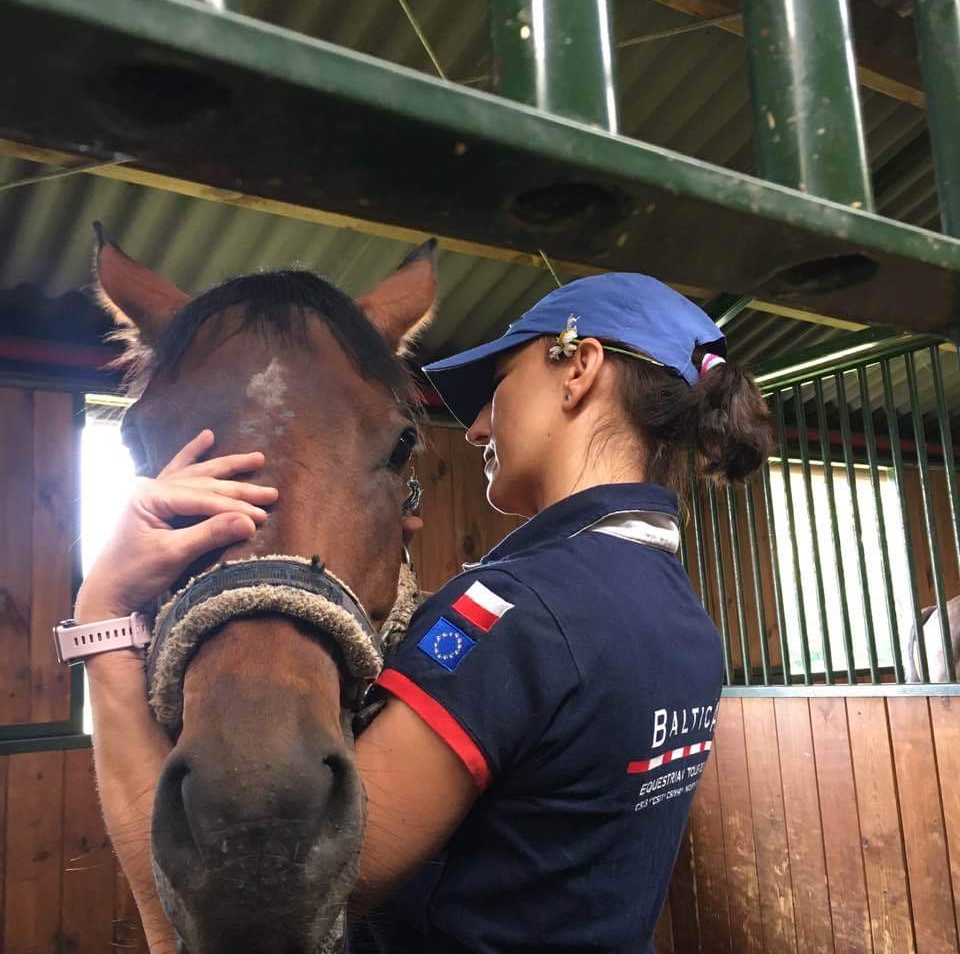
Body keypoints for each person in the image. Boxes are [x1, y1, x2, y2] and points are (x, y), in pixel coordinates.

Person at [77, 273, 771, 953]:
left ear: (578, 369)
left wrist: (102, 609)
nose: (476, 428)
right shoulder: (682, 616)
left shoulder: (512, 616)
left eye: (499, 386)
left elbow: (254, 898)